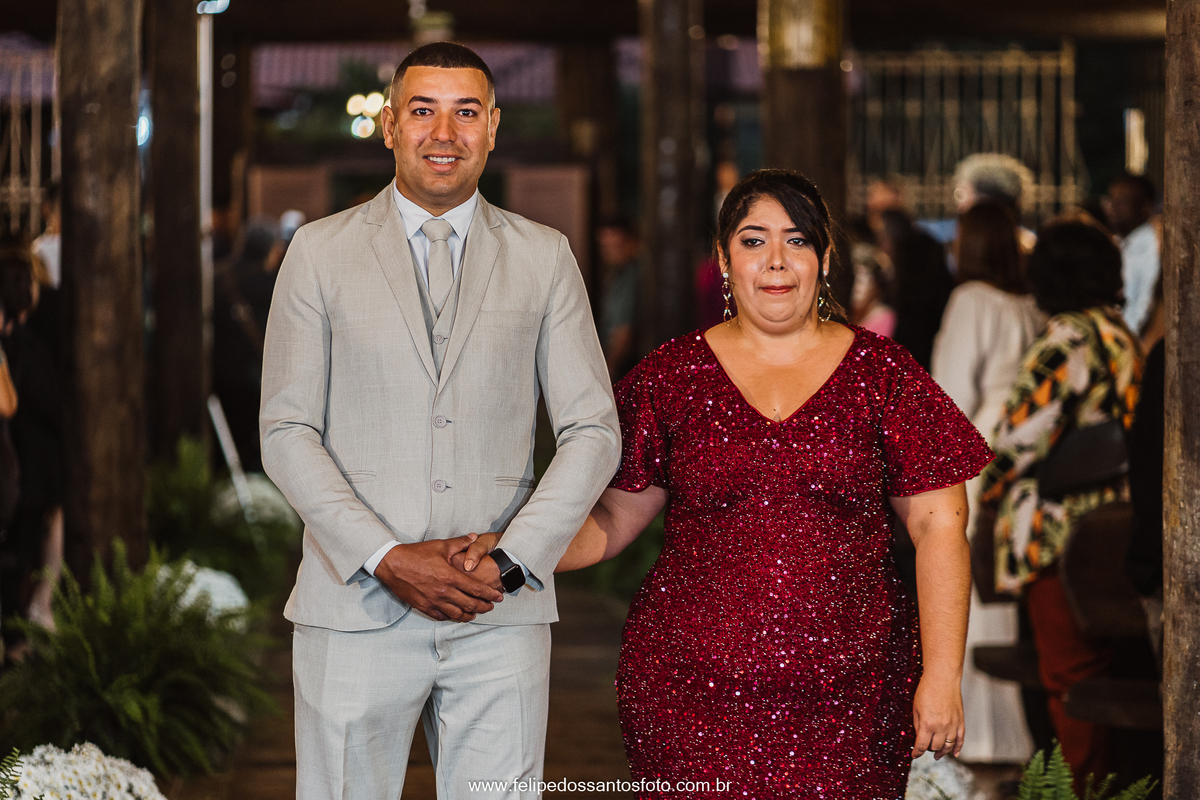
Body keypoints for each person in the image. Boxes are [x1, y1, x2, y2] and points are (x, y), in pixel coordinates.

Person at [468, 169, 994, 796]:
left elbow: (940, 527)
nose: (776, 261)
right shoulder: (671, 376)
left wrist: (942, 676)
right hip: (689, 692)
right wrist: (512, 554)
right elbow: (612, 521)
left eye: (797, 240)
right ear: (723, 258)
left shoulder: (884, 374)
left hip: (857, 695)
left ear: (825, 259)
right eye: (753, 241)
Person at [259, 42, 620, 799]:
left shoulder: (545, 256)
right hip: (354, 606)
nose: (444, 133)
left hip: (500, 608)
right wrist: (385, 556)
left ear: (493, 126)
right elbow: (287, 432)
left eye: (465, 112)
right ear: (390, 125)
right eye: (423, 111)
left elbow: (593, 430)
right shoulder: (318, 252)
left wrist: (513, 560)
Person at [979, 220, 1142, 791]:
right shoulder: (1120, 335)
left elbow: (1019, 438)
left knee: (1069, 682)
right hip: (1112, 527)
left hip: (1059, 533)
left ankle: (1078, 792)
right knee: (1099, 679)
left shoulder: (1067, 338)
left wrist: (987, 489)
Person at [930, 200, 1044, 765]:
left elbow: (948, 394)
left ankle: (972, 735)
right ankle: (1010, 736)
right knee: (1001, 602)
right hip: (1023, 460)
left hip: (973, 458)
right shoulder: (1031, 305)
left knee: (963, 599)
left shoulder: (972, 300)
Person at [1103, 173, 1159, 336]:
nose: (1113, 208)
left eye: (1122, 202)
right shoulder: (1121, 243)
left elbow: (1144, 306)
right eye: (1112, 200)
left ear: (1145, 207)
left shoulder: (1150, 247)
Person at [595, 215, 641, 381]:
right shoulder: (613, 275)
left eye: (615, 246)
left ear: (631, 242)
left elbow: (623, 330)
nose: (609, 253)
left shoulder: (633, 275)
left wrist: (609, 366)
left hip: (626, 366)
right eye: (605, 247)